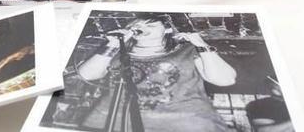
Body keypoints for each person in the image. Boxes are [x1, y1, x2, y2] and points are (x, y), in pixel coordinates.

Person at [72, 16, 236, 132]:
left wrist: (200, 43)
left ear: (167, 30)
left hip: (184, 121)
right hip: (115, 120)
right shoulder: (116, 51)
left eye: (150, 25)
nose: (142, 28)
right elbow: (87, 75)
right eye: (137, 25)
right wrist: (113, 44)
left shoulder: (187, 50)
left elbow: (225, 79)